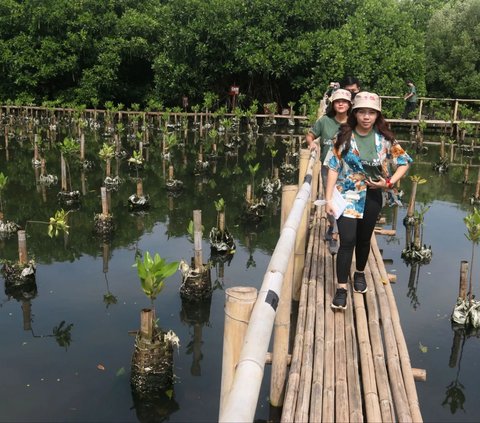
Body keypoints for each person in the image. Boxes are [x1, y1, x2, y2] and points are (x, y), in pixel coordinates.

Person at [324, 92, 412, 310]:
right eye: (362, 111)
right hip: (346, 196)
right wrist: (327, 199)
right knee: (347, 241)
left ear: (377, 115)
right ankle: (341, 288)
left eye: (371, 112)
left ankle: (360, 273)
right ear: (355, 113)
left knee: (364, 240)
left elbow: (404, 162)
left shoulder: (385, 139)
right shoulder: (343, 137)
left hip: (373, 196)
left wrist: (389, 182)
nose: (366, 116)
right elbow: (333, 167)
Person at [306, 89, 352, 253]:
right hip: (328, 168)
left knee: (346, 201)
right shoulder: (324, 121)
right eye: (338, 101)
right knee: (331, 200)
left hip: (349, 171)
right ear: (333, 103)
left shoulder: (354, 123)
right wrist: (312, 143)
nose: (341, 104)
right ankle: (333, 227)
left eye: (344, 101)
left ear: (349, 104)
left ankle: (335, 234)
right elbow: (310, 135)